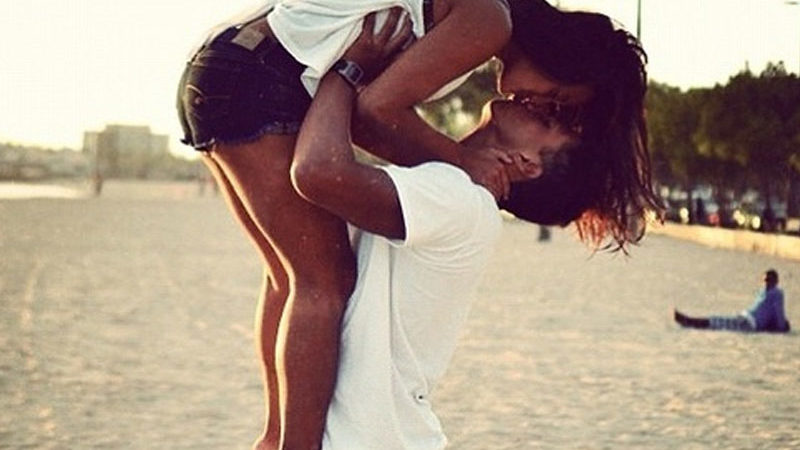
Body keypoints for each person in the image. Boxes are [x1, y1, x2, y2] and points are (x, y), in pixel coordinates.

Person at [175, 1, 661, 448]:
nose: (533, 100)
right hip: (261, 78)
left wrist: (457, 163)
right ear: (565, 58)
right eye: (554, 99)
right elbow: (369, 116)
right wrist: (463, 161)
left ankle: (276, 438)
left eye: (552, 110)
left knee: (290, 275)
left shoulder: (479, 32)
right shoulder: (490, 20)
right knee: (321, 280)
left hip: (231, 64)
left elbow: (366, 117)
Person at [290, 15, 633, 447]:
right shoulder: (457, 195)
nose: (539, 107)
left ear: (526, 164)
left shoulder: (457, 200)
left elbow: (317, 171)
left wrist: (345, 71)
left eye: (547, 123)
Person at [674, 269, 791, 333]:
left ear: (776, 282)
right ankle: (690, 321)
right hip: (745, 318)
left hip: (750, 323)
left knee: (719, 322)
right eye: (765, 280)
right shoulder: (763, 292)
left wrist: (782, 327)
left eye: (769, 280)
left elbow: (778, 312)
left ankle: (689, 322)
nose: (766, 283)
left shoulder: (777, 293)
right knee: (720, 321)